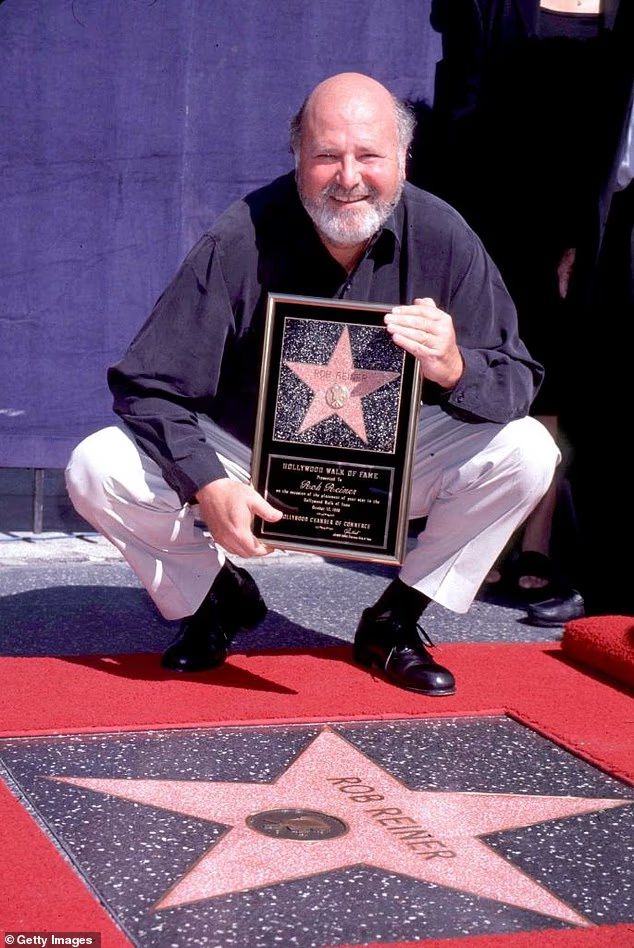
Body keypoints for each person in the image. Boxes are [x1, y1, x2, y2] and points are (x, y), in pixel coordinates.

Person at [65, 72, 559, 696]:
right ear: (297, 157)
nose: (348, 177)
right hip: (248, 457)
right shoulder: (238, 238)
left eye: (369, 155)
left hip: (394, 462)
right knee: (96, 467)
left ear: (404, 157)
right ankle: (214, 597)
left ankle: (394, 621)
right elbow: (145, 384)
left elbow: (518, 381)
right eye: (327, 156)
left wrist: (454, 366)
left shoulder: (443, 235)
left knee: (528, 451)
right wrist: (209, 482)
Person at [429, 0, 630, 621]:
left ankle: (537, 541)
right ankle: (484, 533)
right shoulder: (491, 5)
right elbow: (460, 101)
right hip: (493, 202)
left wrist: (583, 233)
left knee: (555, 380)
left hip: (581, 219)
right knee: (482, 365)